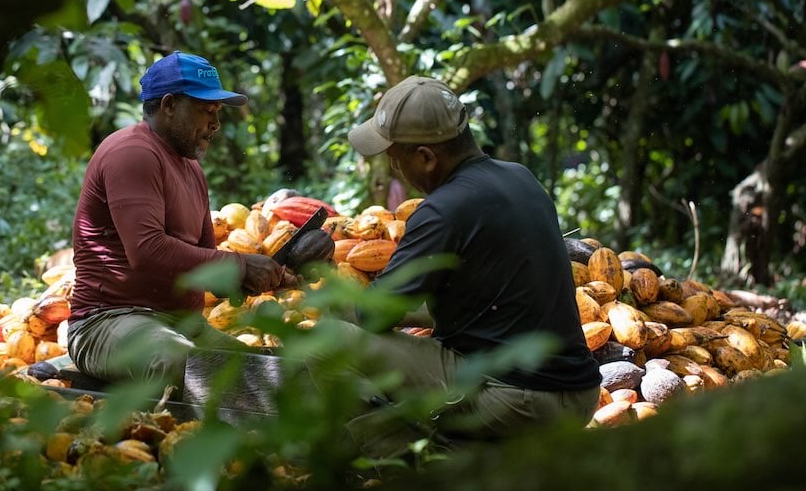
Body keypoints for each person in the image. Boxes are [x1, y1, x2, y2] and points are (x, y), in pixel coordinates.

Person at [321, 75, 600, 454]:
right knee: (382, 413)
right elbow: (483, 304)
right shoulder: (522, 178)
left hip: (519, 401)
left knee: (328, 339)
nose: (394, 167)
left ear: (426, 157)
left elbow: (375, 317)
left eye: (395, 157)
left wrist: (334, 306)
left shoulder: (443, 210)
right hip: (580, 393)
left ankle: (442, 460)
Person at [67, 51, 286, 385]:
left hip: (181, 324)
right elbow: (147, 251)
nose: (215, 124)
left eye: (217, 113)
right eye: (205, 111)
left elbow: (204, 266)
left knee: (264, 375)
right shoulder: (132, 152)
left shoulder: (192, 169)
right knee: (184, 364)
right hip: (107, 321)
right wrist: (240, 265)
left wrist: (263, 277)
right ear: (169, 105)